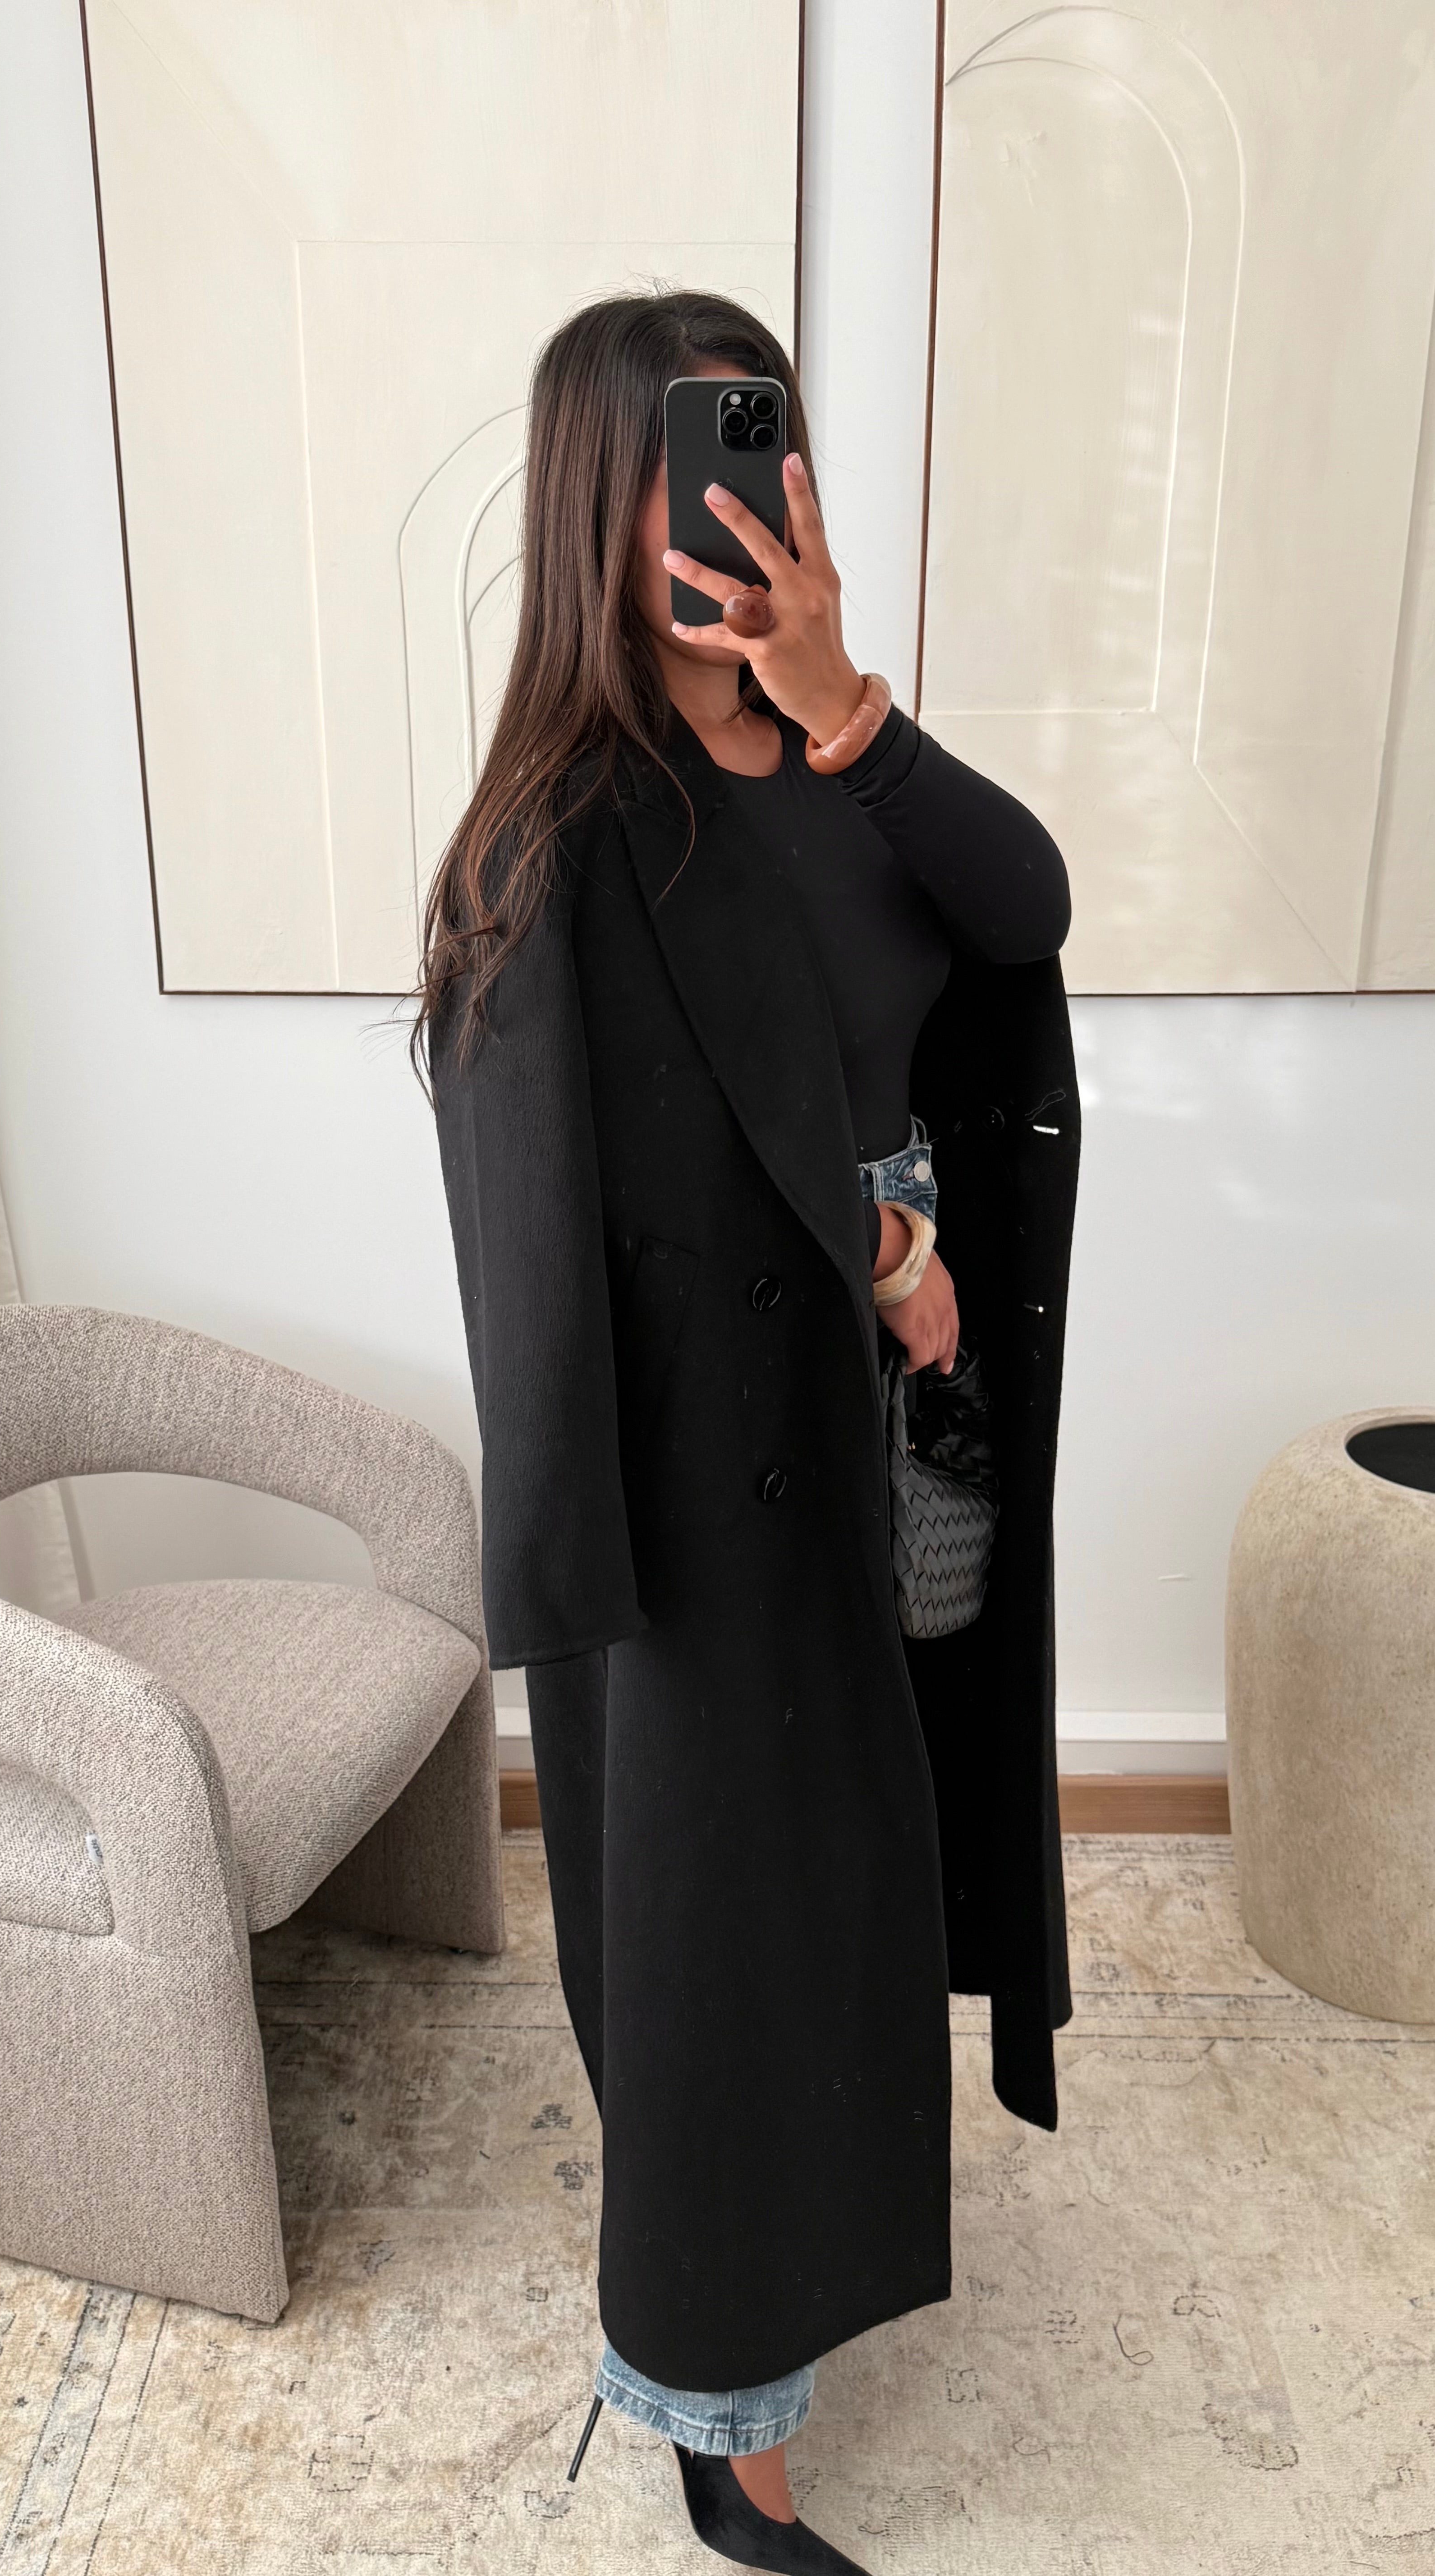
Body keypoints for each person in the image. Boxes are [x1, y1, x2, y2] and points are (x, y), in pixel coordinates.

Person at [414, 288, 1078, 2573]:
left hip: (910, 1412)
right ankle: (721, 2414)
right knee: (731, 1922)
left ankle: (806, 2269)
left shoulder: (839, 757)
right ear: (604, 507)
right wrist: (879, 1244)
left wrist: (847, 699)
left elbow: (1023, 909)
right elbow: (560, 1219)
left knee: (869, 1853)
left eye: (764, 452)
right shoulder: (558, 837)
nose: (739, 508)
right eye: (692, 468)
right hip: (722, 1452)